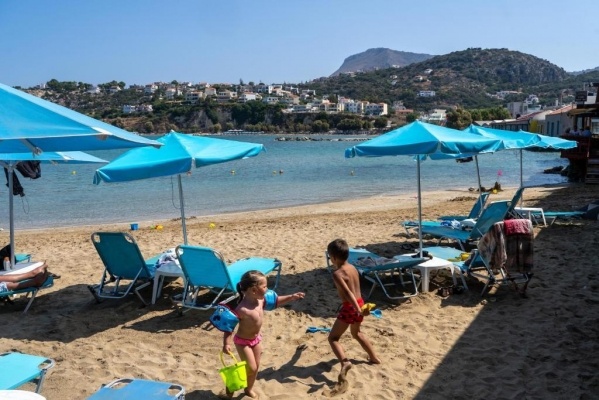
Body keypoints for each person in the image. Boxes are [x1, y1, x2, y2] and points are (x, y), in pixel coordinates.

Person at [221, 270, 305, 399]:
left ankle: (248, 389)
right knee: (251, 367)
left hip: (256, 340)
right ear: (254, 290)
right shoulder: (242, 309)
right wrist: (226, 343)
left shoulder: (261, 301)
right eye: (265, 287)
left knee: (256, 367)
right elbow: (229, 327)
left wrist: (291, 297)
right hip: (243, 342)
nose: (267, 289)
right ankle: (231, 383)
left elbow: (276, 301)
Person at [327, 238, 381, 385]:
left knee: (333, 338)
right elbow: (356, 290)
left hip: (351, 306)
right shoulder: (353, 268)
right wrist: (360, 307)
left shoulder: (337, 273)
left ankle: (344, 362)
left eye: (330, 257)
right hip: (360, 302)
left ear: (334, 257)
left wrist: (356, 309)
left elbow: (348, 292)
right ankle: (374, 357)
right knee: (357, 333)